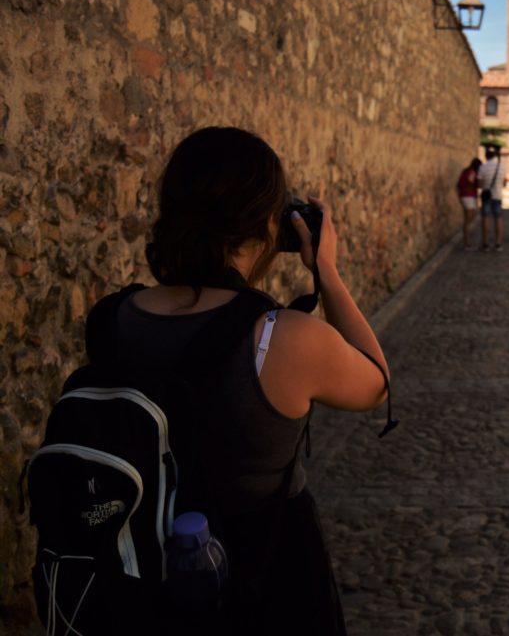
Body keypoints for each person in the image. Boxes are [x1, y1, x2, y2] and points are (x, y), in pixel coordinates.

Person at [125, 127, 389, 634]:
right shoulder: (284, 338)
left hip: (145, 574)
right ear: (268, 223)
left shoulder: (116, 318)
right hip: (266, 577)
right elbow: (376, 382)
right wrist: (326, 271)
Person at [477, 146, 505, 252]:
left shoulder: (482, 167)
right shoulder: (501, 166)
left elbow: (479, 183)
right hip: (497, 195)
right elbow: (504, 181)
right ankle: (498, 243)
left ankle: (486, 243)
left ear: (486, 155)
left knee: (486, 218)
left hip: (486, 195)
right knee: (498, 218)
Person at [456, 158, 481, 250]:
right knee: (468, 219)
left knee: (468, 219)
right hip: (468, 196)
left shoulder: (466, 171)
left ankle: (467, 240)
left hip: (465, 196)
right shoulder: (472, 172)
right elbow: (471, 181)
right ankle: (467, 242)